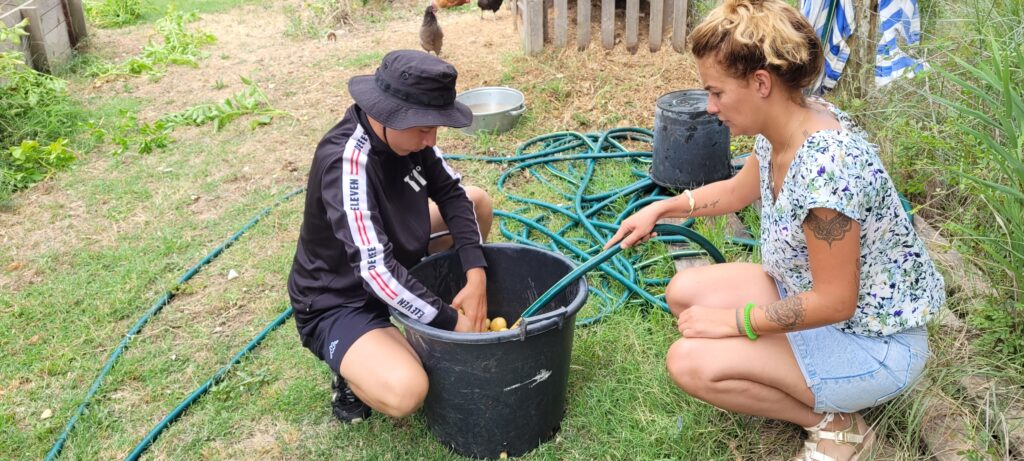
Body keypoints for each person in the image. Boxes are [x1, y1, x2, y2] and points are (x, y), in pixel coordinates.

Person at [605, 1, 944, 459]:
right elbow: (735, 193)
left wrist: (736, 323)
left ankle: (835, 424)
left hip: (875, 343)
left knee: (689, 362)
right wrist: (661, 209)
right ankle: (801, 379)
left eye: (717, 92)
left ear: (760, 83)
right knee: (684, 291)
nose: (710, 107)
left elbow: (834, 301)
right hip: (809, 297)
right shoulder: (784, 127)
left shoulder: (827, 171)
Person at [288, 50, 494, 425]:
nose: (431, 139)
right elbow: (375, 270)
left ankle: (420, 310)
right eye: (422, 128)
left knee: (476, 203)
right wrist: (450, 321)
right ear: (386, 114)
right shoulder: (347, 162)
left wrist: (476, 273)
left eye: (436, 127)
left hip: (391, 254)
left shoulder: (413, 137)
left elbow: (452, 194)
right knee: (407, 389)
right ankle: (352, 371)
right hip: (340, 297)